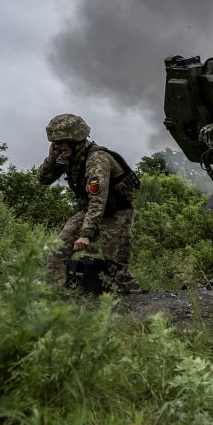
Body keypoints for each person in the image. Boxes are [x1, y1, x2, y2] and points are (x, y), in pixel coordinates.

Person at [38, 113, 140, 292]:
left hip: (116, 213)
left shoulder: (97, 160)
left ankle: (137, 302)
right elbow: (43, 180)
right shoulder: (68, 156)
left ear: (74, 140)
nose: (56, 147)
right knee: (57, 250)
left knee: (115, 269)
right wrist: (51, 160)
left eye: (59, 143)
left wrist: (85, 234)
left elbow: (98, 199)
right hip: (91, 211)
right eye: (54, 143)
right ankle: (53, 295)